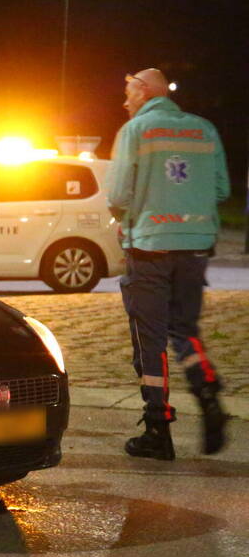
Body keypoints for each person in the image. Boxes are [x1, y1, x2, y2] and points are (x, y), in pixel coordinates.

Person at [105, 67, 231, 460]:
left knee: (151, 337)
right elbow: (222, 189)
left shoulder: (136, 131)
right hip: (194, 248)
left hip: (150, 248)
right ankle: (208, 395)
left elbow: (119, 193)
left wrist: (125, 218)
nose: (125, 102)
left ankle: (158, 428)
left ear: (144, 93)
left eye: (128, 93)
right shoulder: (204, 129)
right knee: (184, 330)